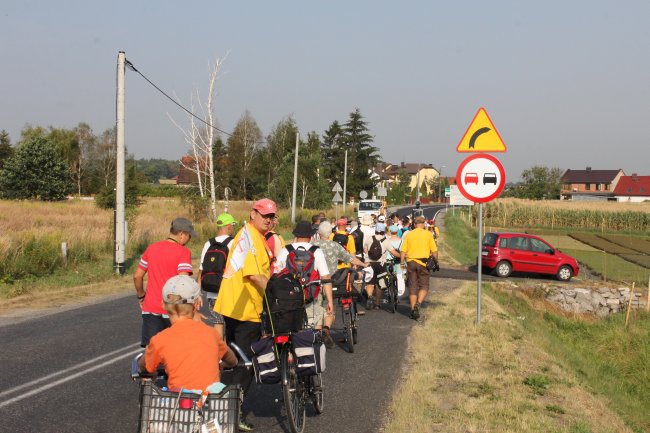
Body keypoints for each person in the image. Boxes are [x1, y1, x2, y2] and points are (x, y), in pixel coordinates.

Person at [213, 198, 276, 432]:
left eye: (271, 216)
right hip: (243, 311)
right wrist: (274, 290)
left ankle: (221, 408)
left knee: (231, 361)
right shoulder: (249, 238)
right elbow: (253, 275)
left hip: (236, 307)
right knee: (244, 365)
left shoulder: (253, 236)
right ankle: (232, 413)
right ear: (253, 214)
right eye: (264, 215)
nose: (268, 220)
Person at [139, 275, 237, 392]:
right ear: (195, 305)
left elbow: (146, 366)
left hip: (179, 403)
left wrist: (144, 366)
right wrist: (229, 363)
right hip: (211, 403)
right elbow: (231, 359)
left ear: (163, 304)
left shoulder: (159, 340)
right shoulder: (211, 334)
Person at [134, 217, 196, 347]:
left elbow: (137, 276)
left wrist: (141, 296)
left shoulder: (151, 248)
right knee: (174, 351)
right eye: (189, 236)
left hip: (150, 308)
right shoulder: (183, 252)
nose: (189, 240)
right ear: (181, 234)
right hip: (173, 310)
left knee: (152, 352)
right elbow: (183, 283)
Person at [274, 221, 334, 345]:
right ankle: (316, 345)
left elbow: (276, 274)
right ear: (311, 236)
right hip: (310, 295)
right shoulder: (316, 251)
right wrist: (330, 301)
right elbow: (326, 277)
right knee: (316, 325)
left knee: (291, 330)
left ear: (296, 235)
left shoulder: (286, 250)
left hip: (289, 297)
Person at [313, 221, 368, 346]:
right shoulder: (335, 246)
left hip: (316, 282)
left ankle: (317, 334)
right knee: (329, 308)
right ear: (330, 233)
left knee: (317, 307)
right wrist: (363, 264)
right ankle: (326, 329)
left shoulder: (313, 245)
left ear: (319, 233)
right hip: (330, 282)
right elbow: (350, 258)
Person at [197, 212, 237, 338]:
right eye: (233, 225)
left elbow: (201, 269)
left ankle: (218, 355)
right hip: (229, 291)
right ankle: (231, 355)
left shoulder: (208, 244)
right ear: (229, 226)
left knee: (218, 323)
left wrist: (198, 293)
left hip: (212, 291)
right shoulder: (233, 243)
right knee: (232, 325)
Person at [400, 216, 438, 320]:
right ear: (424, 223)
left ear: (414, 224)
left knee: (412, 286)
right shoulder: (428, 234)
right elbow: (434, 251)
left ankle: (412, 309)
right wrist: (436, 262)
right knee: (424, 285)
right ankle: (418, 303)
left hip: (411, 262)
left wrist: (402, 263)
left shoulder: (409, 234)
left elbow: (403, 251)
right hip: (424, 263)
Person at [362, 222, 400, 310]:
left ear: (375, 230)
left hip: (369, 263)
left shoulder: (369, 239)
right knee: (380, 283)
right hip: (381, 264)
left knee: (370, 282)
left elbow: (365, 250)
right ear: (384, 231)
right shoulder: (386, 241)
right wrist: (402, 256)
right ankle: (377, 303)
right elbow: (393, 252)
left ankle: (370, 296)